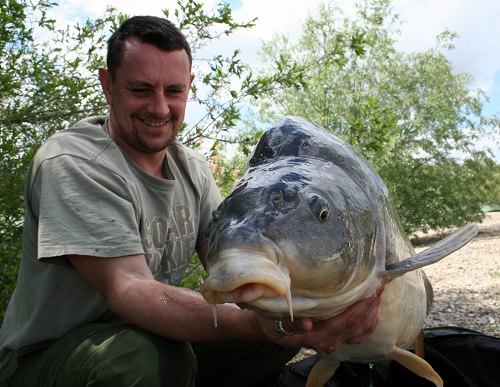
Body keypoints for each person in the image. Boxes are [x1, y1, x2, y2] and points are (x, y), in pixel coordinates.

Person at [0, 15, 382, 387]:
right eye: (141, 89)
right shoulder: (72, 163)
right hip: (48, 361)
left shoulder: (192, 169)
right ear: (107, 84)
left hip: (151, 339)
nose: (160, 108)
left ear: (190, 86)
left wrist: (306, 315)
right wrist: (259, 324)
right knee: (139, 356)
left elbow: (234, 264)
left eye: (174, 91)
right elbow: (128, 289)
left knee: (282, 323)